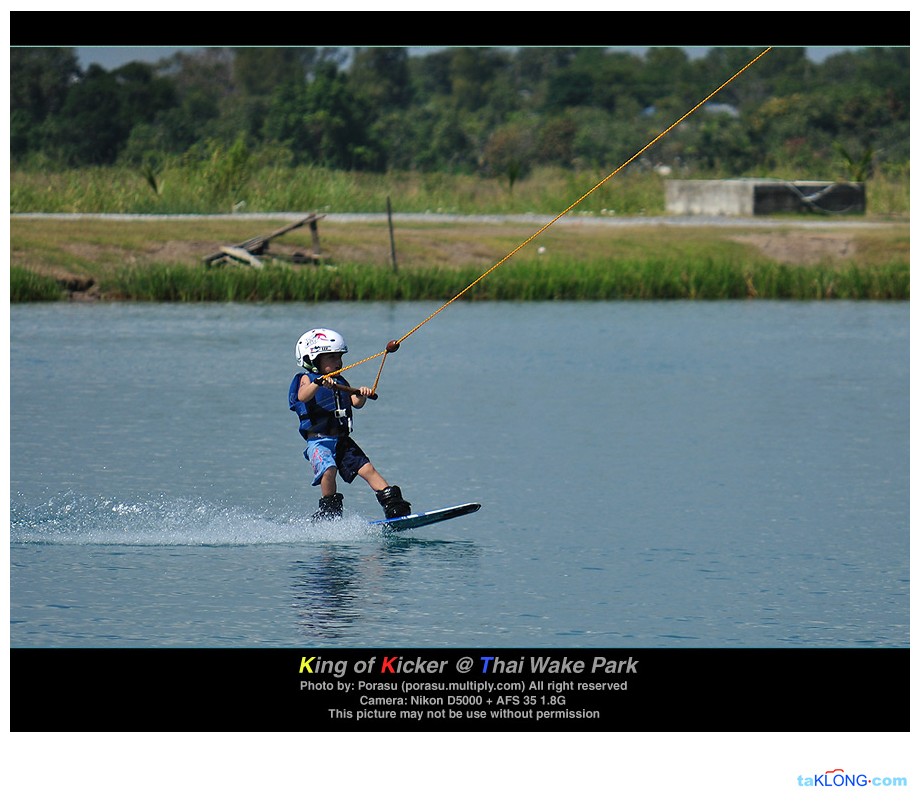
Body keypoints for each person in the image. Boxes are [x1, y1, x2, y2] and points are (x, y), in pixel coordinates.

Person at [288, 328, 411, 522]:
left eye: (339, 357)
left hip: (343, 440)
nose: (338, 362)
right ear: (313, 359)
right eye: (331, 358)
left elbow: (356, 403)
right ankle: (329, 511)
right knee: (329, 470)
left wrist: (362, 393)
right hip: (319, 442)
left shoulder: (340, 380)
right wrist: (319, 383)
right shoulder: (307, 379)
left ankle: (393, 504)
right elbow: (303, 396)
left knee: (367, 468)